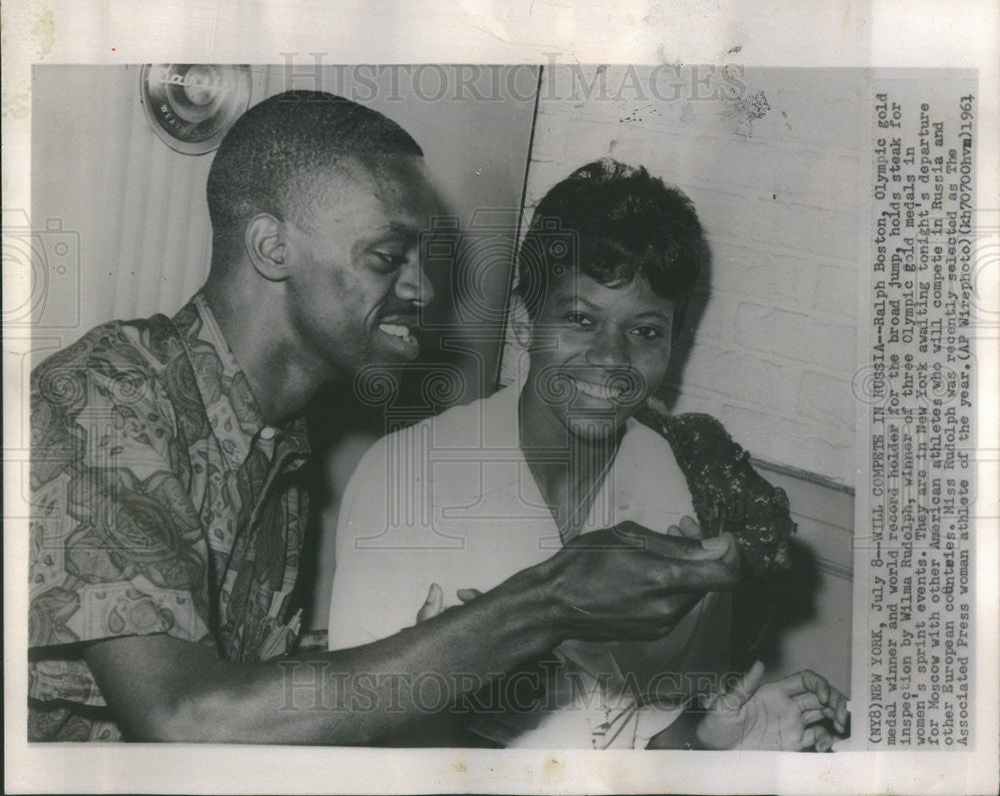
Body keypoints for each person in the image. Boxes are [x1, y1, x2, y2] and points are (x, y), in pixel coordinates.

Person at [28, 92, 744, 743]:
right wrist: (548, 600)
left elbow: (262, 695)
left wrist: (448, 653)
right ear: (273, 248)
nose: (424, 287)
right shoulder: (105, 399)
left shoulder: (276, 442)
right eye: (387, 256)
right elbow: (185, 718)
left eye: (421, 257)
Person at [328, 159, 849, 749]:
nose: (611, 359)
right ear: (526, 321)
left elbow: (651, 730)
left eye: (646, 331)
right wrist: (457, 678)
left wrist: (715, 745)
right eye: (580, 319)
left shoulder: (669, 479)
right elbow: (357, 745)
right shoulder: (403, 479)